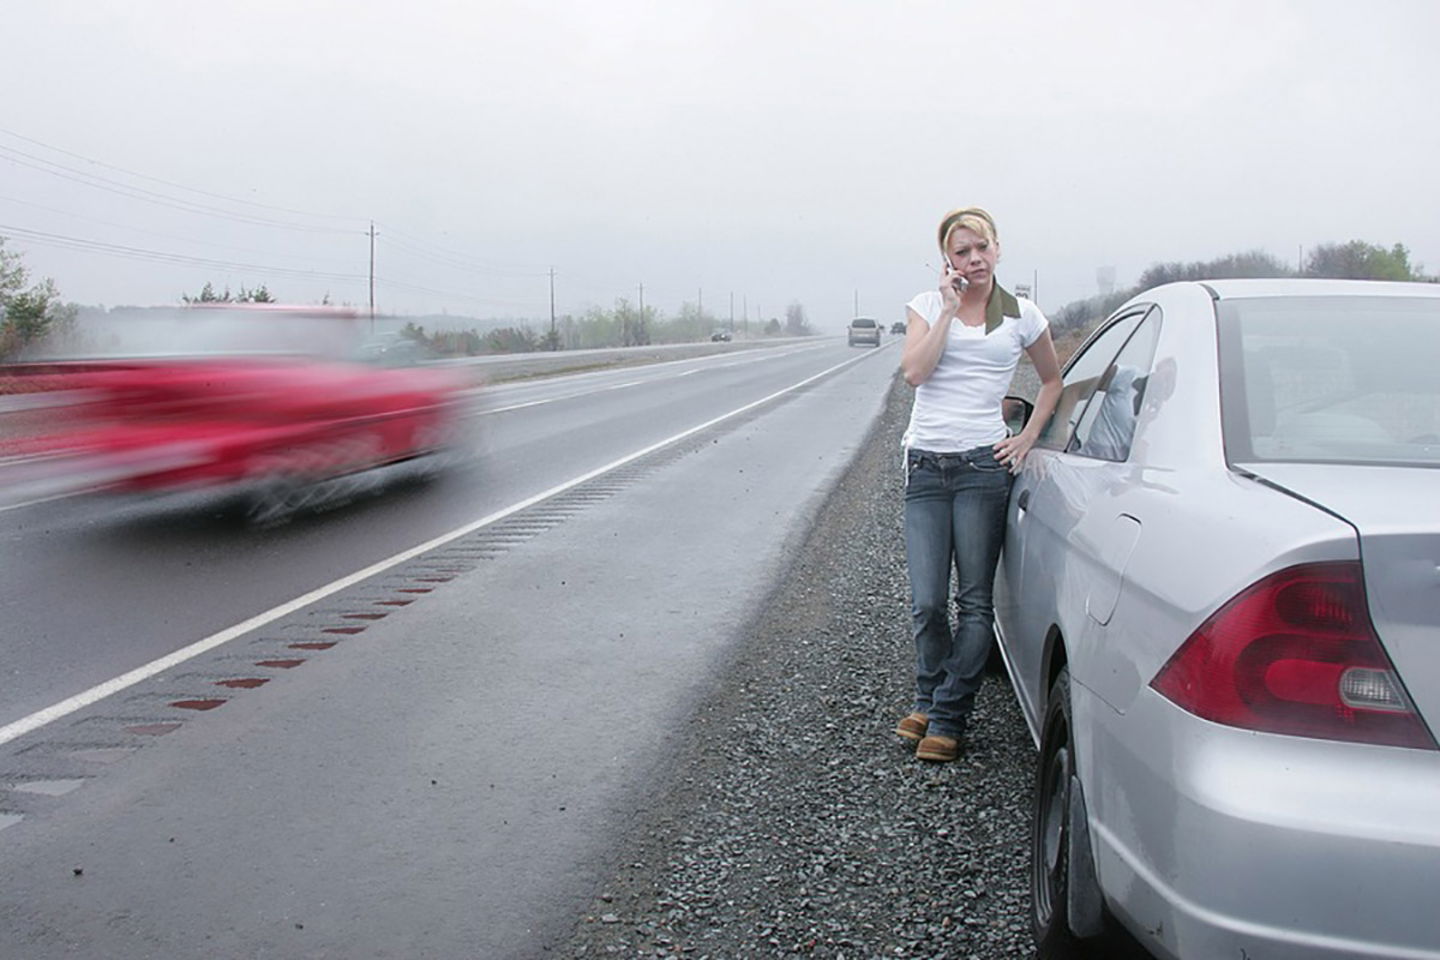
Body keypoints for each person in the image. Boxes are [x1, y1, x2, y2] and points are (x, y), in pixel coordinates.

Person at [894, 207, 1062, 762]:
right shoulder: (926, 306)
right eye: (961, 252)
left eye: (982, 248)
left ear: (997, 249)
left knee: (973, 602)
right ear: (947, 260)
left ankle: (947, 715)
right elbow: (915, 372)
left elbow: (1052, 381)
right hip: (926, 466)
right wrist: (947, 309)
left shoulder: (1021, 315)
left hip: (982, 469)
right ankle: (928, 696)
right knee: (926, 602)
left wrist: (1028, 437)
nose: (974, 260)